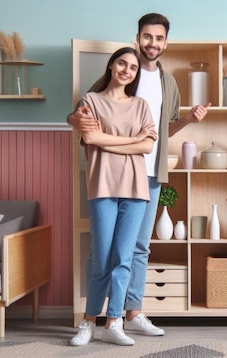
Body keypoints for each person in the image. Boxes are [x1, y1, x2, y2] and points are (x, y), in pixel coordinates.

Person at [68, 13, 210, 336]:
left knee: (140, 248)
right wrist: (76, 121)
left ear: (165, 43)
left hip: (150, 174)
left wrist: (188, 119)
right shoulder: (125, 74)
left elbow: (161, 132)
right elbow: (82, 113)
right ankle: (93, 319)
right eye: (147, 37)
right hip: (111, 174)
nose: (153, 43)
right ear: (138, 38)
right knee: (104, 250)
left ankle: (131, 312)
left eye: (159, 38)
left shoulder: (168, 82)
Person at [69, 47, 159, 347]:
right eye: (122, 63)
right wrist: (133, 139)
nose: (127, 70)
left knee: (124, 258)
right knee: (102, 258)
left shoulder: (141, 105)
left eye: (133, 67)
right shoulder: (91, 101)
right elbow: (91, 138)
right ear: (111, 65)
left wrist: (119, 142)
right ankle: (89, 320)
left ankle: (114, 322)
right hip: (103, 187)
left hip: (135, 189)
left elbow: (147, 148)